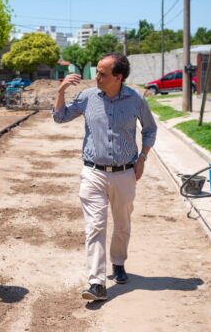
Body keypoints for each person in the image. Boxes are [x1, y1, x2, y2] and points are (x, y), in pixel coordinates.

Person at [52, 53, 157, 301]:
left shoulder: (135, 99)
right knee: (95, 226)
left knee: (122, 224)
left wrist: (142, 158)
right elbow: (59, 117)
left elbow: (150, 130)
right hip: (93, 172)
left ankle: (118, 262)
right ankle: (96, 282)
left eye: (102, 73)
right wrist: (61, 92)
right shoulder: (88, 98)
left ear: (118, 77)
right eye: (97, 71)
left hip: (124, 173)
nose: (96, 77)